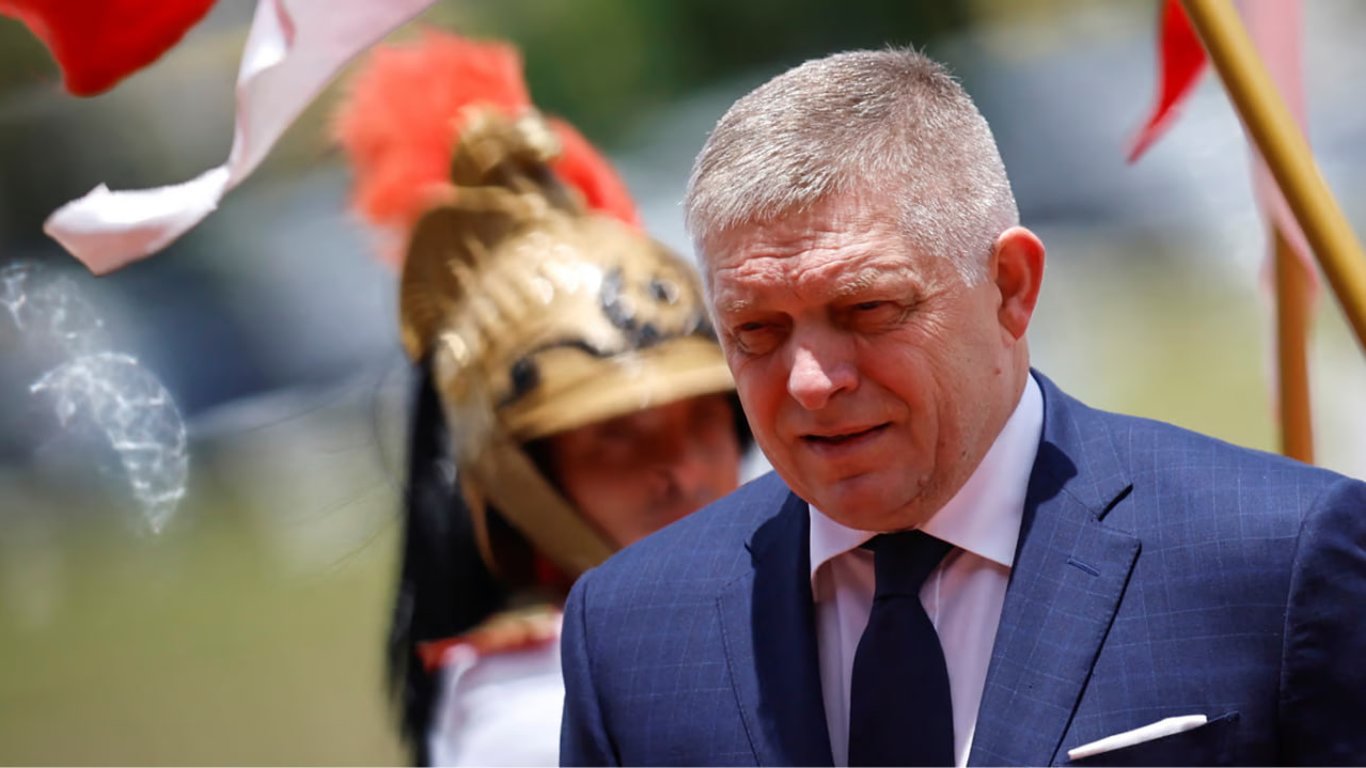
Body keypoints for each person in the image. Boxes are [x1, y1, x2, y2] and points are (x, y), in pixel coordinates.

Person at [559, 46, 1366, 766]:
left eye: (867, 309)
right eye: (757, 332)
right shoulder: (632, 633)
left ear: (1011, 287)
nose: (809, 381)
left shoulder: (1276, 561)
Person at [333, 33, 748, 766]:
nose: (684, 472)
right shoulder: (526, 715)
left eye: (703, 418)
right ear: (522, 471)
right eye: (616, 436)